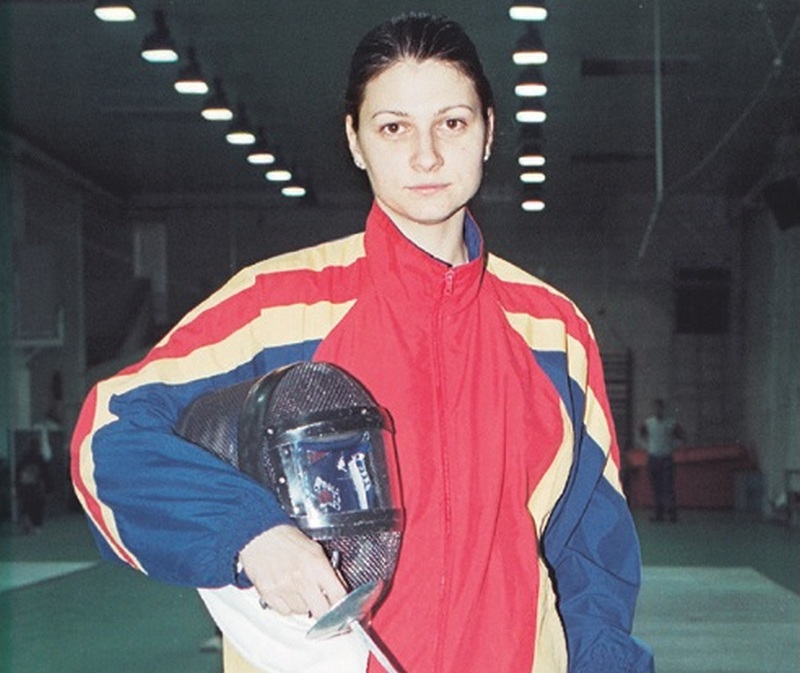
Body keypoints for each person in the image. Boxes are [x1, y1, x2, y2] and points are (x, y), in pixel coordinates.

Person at [70, 13, 653, 673]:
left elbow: (593, 557)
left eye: (452, 123)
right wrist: (248, 531)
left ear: (488, 130)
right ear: (355, 140)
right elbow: (107, 437)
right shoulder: (275, 308)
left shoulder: (553, 332)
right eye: (394, 127)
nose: (426, 155)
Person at [639, 398, 686, 522]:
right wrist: (647, 447)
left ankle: (671, 513)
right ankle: (658, 513)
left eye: (659, 408)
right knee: (656, 487)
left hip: (666, 458)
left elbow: (682, 436)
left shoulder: (671, 423)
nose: (657, 410)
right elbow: (640, 435)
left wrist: (673, 447)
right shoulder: (648, 423)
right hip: (653, 457)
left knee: (668, 487)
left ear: (662, 409)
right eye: (655, 408)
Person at [16, 439, 48, 534]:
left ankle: (28, 525)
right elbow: (46, 474)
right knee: (35, 506)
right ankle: (34, 525)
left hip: (28, 486)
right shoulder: (40, 459)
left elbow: (18, 473)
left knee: (27, 506)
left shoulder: (24, 459)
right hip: (35, 487)